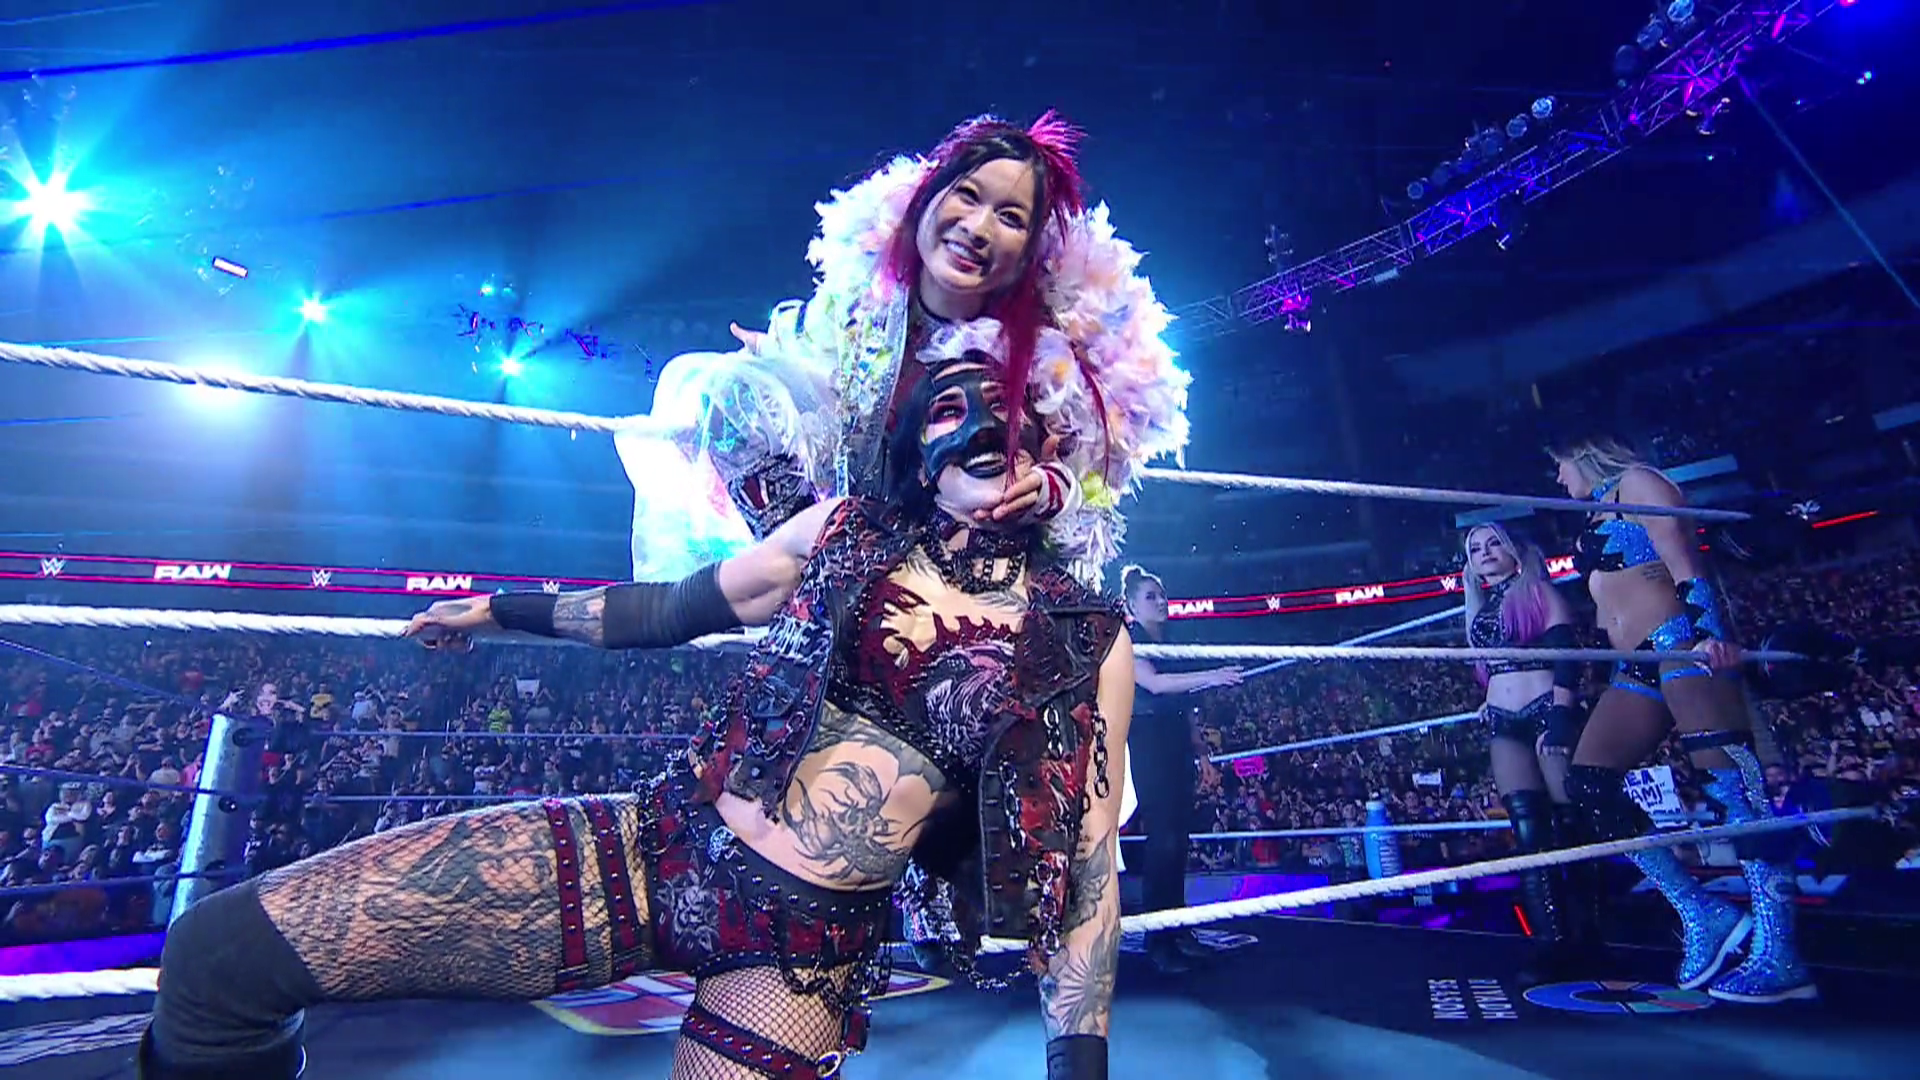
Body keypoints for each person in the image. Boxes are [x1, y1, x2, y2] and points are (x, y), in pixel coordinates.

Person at [139, 299, 1189, 1077]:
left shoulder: (1080, 636)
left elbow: (1089, 873)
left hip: (797, 955)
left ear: (1052, 446)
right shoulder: (846, 532)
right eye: (951, 407)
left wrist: (1078, 1066)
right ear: (917, 445)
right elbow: (668, 609)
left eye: (1006, 408)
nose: (981, 428)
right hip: (657, 846)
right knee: (219, 958)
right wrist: (500, 610)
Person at [616, 112, 1189, 589]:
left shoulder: (1042, 357)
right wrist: (772, 362)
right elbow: (813, 382)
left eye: (1010, 218)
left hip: (960, 585)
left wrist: (1049, 489)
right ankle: (815, 587)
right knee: (714, 384)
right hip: (841, 561)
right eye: (968, 196)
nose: (978, 228)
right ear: (927, 199)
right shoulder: (860, 311)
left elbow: (1090, 489)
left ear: (1027, 253)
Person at [1551, 437, 1814, 1004]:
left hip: (1681, 644)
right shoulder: (1595, 510)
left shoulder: (1639, 482)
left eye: (1560, 465)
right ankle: (1701, 911)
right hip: (1635, 665)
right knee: (1589, 781)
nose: (1558, 478)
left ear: (1585, 453)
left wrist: (1709, 637)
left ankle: (1782, 954)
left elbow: (1685, 563)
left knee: (1733, 792)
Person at [1461, 523, 1603, 984]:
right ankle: (1550, 943)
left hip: (1545, 709)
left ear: (1513, 550)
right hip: (1503, 720)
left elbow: (1565, 657)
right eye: (1475, 548)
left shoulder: (1539, 591)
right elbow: (1492, 665)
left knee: (1570, 825)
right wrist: (1490, 699)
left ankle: (1588, 937)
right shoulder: (1480, 607)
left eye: (1492, 543)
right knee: (1528, 832)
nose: (1484, 553)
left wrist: (1561, 712)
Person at [1118, 565, 1241, 974]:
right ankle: (1159, 938)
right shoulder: (1129, 640)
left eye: (1162, 594)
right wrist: (1213, 675)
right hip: (1148, 742)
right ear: (1133, 605)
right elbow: (1155, 685)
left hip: (1174, 742)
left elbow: (1184, 707)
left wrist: (1202, 754)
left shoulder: (1170, 642)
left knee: (1179, 837)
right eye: (1150, 596)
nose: (1161, 602)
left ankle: (1177, 926)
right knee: (1164, 839)